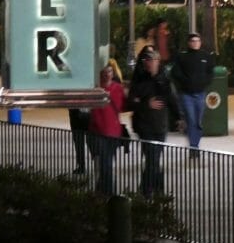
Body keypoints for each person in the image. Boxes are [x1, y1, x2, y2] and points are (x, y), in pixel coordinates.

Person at [127, 46, 181, 199]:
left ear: (158, 62)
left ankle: (152, 189)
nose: (149, 63)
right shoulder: (139, 78)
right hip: (144, 125)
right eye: (147, 60)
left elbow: (171, 98)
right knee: (152, 158)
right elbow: (131, 101)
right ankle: (149, 192)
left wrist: (179, 118)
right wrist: (145, 104)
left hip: (160, 125)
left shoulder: (164, 78)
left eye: (152, 60)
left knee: (154, 159)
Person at [171, 32, 215, 158]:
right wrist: (185, 83)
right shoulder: (182, 57)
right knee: (191, 121)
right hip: (187, 95)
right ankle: (193, 147)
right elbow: (175, 73)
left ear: (200, 42)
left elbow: (210, 72)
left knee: (198, 123)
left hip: (200, 93)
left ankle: (195, 145)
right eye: (193, 41)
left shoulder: (206, 56)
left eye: (197, 41)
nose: (195, 43)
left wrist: (204, 83)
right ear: (189, 43)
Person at [89, 63, 126, 195]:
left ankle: (104, 190)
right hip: (100, 132)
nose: (107, 74)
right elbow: (94, 112)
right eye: (104, 71)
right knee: (106, 163)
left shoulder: (117, 88)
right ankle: (108, 191)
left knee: (107, 162)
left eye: (109, 71)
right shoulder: (96, 89)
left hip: (113, 132)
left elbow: (122, 106)